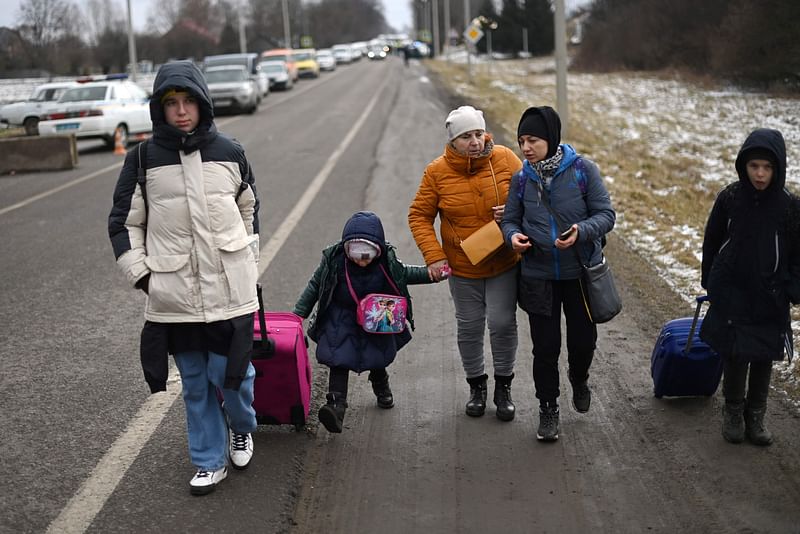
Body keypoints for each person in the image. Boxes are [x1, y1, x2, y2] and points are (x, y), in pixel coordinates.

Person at [108, 60, 260, 495]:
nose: (180, 111)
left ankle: (242, 427)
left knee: (234, 380)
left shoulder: (231, 152)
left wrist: (246, 257)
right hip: (175, 298)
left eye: (188, 101)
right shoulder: (142, 159)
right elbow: (123, 224)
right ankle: (209, 460)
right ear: (159, 108)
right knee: (195, 384)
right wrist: (144, 276)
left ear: (203, 104)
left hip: (231, 293)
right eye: (170, 102)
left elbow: (249, 208)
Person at [501, 105, 616, 441]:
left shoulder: (583, 170)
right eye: (522, 140)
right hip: (537, 275)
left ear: (551, 139)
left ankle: (579, 377)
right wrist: (513, 237)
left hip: (579, 274)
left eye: (533, 139)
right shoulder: (521, 178)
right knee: (545, 348)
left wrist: (581, 230)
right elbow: (510, 219)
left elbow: (606, 215)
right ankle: (547, 408)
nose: (526, 147)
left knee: (583, 342)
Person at [408, 105, 522, 421]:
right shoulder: (437, 172)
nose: (474, 141)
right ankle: (477, 386)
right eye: (465, 136)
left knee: (501, 323)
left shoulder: (506, 159)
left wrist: (513, 209)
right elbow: (419, 215)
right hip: (463, 266)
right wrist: (435, 256)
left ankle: (503, 386)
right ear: (453, 141)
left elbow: (533, 195)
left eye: (477, 134)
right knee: (470, 327)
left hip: (503, 261)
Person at [700, 128, 800, 446]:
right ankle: (733, 411)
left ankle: (756, 415)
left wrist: (793, 287)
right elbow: (712, 240)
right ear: (744, 166)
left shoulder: (788, 206)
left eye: (767, 168)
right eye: (754, 166)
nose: (759, 174)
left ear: (778, 168)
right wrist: (710, 281)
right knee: (735, 353)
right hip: (733, 291)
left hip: (771, 294)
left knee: (762, 355)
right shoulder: (730, 198)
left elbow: (798, 253)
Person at [293, 211, 435, 433]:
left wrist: (431, 274)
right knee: (338, 360)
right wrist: (298, 314)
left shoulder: (386, 262)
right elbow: (315, 285)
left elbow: (406, 273)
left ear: (377, 251)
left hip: (375, 318)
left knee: (376, 358)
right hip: (341, 319)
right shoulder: (335, 260)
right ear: (347, 249)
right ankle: (336, 406)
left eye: (367, 256)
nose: (361, 261)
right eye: (356, 256)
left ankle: (381, 385)